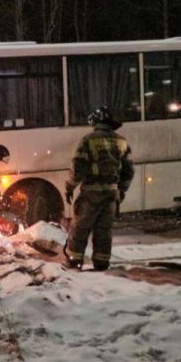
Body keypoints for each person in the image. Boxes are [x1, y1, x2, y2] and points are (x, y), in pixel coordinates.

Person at [64, 107, 134, 271]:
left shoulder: (89, 140)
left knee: (80, 228)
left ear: (95, 122)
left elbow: (78, 166)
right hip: (111, 194)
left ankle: (74, 261)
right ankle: (101, 263)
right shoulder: (121, 141)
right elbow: (129, 170)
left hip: (91, 194)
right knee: (104, 231)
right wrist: (121, 190)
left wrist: (69, 187)